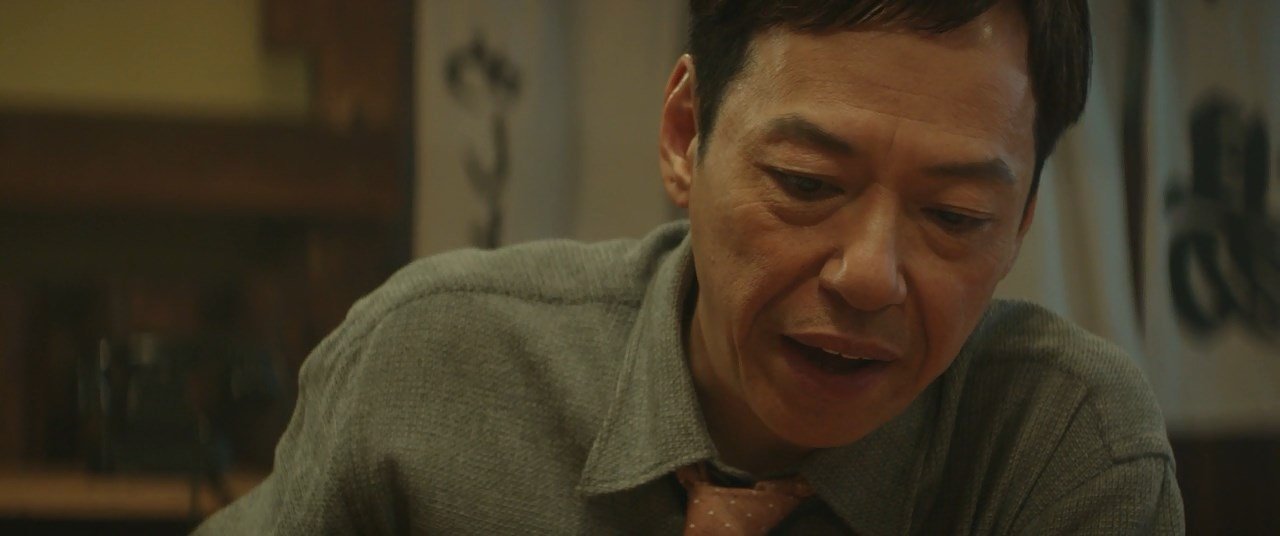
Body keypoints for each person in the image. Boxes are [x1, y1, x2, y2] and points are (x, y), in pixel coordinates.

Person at [197, 0, 1184, 533]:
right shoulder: (433, 369)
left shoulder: (1059, 447)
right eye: (806, 183)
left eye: (954, 215)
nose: (868, 275)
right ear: (684, 133)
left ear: (1022, 221)